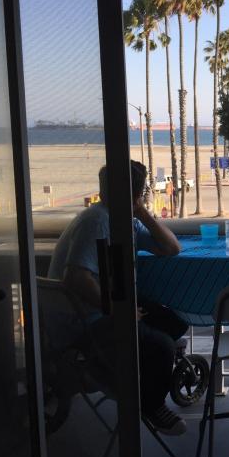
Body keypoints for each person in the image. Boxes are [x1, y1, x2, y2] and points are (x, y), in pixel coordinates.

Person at [48, 161, 188, 435]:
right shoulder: (98, 221)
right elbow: (76, 277)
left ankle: (136, 373)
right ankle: (151, 404)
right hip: (83, 323)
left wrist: (142, 213)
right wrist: (118, 311)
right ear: (136, 193)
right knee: (162, 347)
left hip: (100, 310)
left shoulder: (121, 220)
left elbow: (171, 247)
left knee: (174, 323)